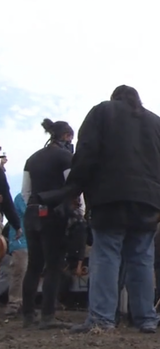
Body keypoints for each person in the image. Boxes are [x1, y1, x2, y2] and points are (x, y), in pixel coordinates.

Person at [67, 85, 160, 333]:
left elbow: (86, 153)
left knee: (106, 255)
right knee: (142, 258)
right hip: (148, 200)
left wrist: (74, 188)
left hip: (109, 196)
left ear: (114, 98)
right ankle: (146, 318)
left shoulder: (102, 112)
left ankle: (102, 319)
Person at [21, 118, 75, 329]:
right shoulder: (65, 157)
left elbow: (26, 192)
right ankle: (47, 315)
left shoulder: (31, 159)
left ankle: (27, 315)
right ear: (66, 136)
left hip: (32, 213)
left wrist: (34, 207)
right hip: (54, 214)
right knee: (53, 266)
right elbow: (72, 188)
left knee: (34, 266)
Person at [3, 192, 27, 317]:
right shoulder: (21, 198)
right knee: (19, 270)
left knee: (27, 272)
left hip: (31, 241)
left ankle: (24, 303)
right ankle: (14, 303)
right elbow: (28, 213)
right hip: (19, 240)